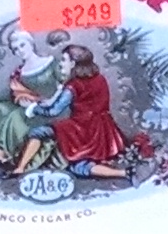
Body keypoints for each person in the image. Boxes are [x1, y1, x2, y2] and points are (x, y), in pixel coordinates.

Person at [46, 46, 130, 179]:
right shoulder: (100, 79)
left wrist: (33, 108)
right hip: (105, 129)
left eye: (63, 60)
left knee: (78, 165)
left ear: (73, 63)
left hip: (83, 129)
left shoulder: (73, 86)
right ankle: (125, 172)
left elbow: (54, 111)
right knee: (86, 163)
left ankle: (123, 173)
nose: (61, 63)